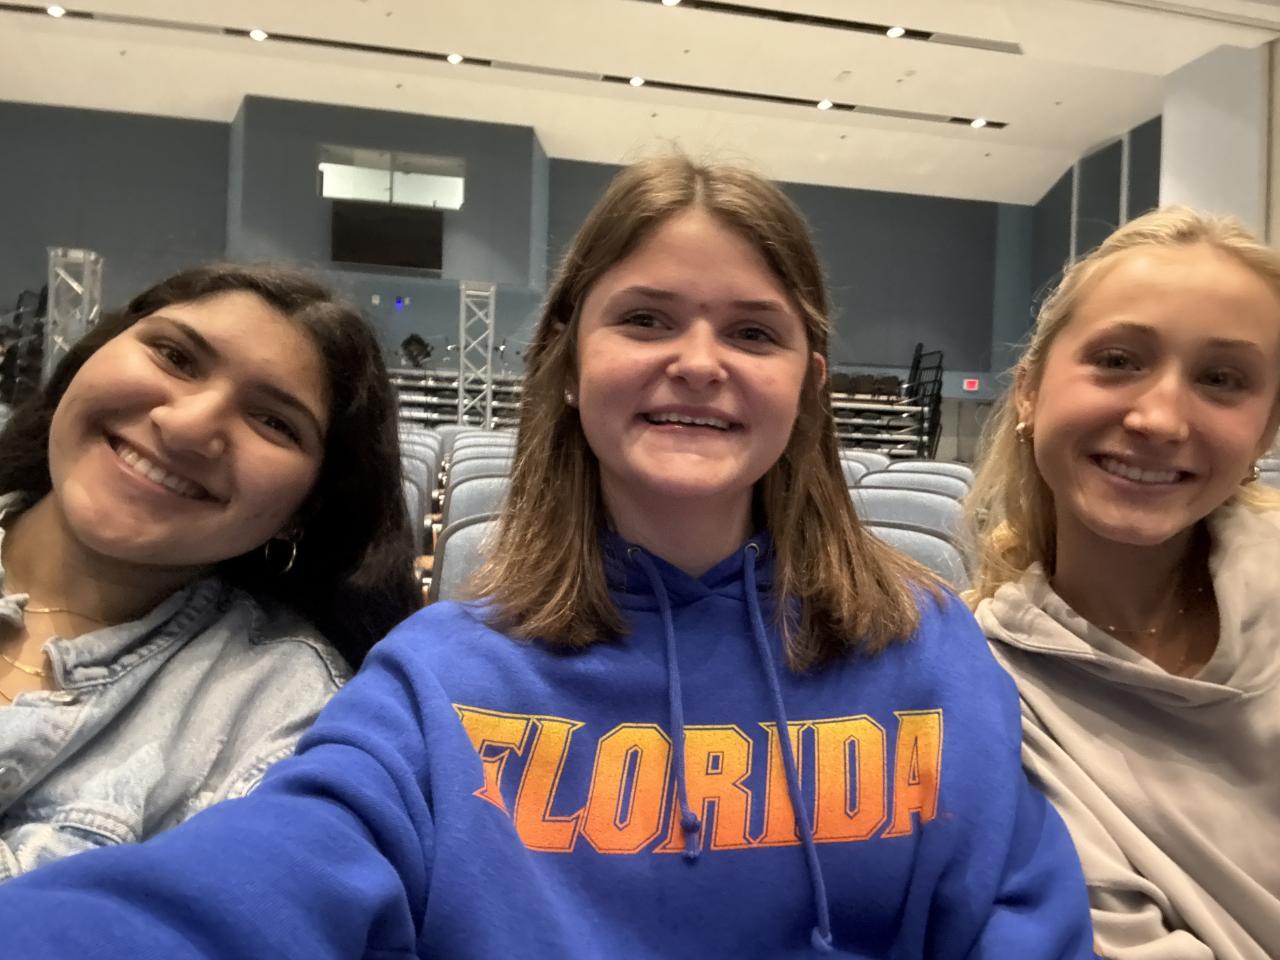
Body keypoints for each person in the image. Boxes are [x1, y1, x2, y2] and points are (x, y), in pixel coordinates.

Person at [0, 158, 1094, 958]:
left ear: (808, 385)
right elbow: (254, 883)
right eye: (646, 319)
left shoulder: (928, 651)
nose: (698, 362)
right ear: (567, 364)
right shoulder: (440, 679)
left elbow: (1021, 925)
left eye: (753, 332)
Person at [0, 263, 419, 878]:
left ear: (302, 513)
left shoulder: (285, 721)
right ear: (89, 359)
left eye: (273, 422)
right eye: (174, 356)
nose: (187, 426)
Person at [966, 208, 1280, 960]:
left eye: (1221, 380)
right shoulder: (980, 689)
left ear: (1266, 432)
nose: (1161, 418)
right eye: (1116, 360)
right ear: (1029, 391)